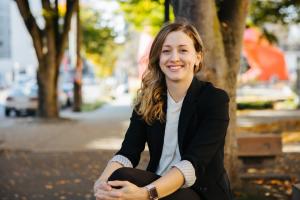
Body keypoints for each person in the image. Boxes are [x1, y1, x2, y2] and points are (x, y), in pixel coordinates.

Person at [94, 21, 232, 200]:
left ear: (198, 57)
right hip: (157, 183)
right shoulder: (148, 100)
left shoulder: (214, 99)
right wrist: (102, 182)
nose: (174, 58)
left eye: (183, 50)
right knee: (117, 180)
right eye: (166, 51)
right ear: (158, 58)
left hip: (199, 191)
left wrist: (145, 193)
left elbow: (193, 163)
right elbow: (128, 152)